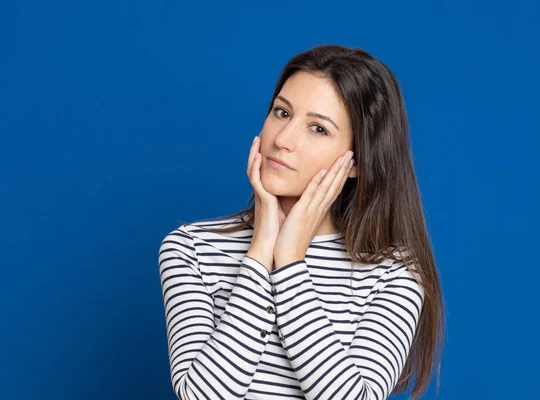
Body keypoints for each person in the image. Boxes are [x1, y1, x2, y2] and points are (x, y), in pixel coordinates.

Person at [158, 44, 445, 400]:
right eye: (281, 112)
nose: (282, 140)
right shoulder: (192, 249)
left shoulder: (393, 273)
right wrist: (261, 253)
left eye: (317, 129)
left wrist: (291, 260)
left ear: (357, 161)